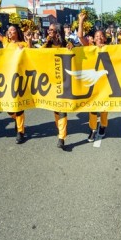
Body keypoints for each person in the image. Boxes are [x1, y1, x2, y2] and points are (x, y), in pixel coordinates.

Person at [0, 6, 31, 144]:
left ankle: (20, 131)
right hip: (6, 78)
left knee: (18, 105)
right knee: (7, 106)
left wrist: (28, 40)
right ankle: (17, 122)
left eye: (12, 30)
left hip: (19, 78)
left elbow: (31, 55)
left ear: (17, 32)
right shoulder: (5, 42)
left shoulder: (22, 44)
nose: (10, 32)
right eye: (9, 30)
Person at [77, 12, 109, 142]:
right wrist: (81, 21)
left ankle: (103, 126)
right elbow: (80, 36)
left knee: (105, 106)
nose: (99, 38)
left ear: (105, 39)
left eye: (101, 36)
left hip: (105, 82)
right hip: (93, 81)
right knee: (93, 107)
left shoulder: (111, 48)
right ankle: (92, 129)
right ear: (93, 39)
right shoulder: (89, 47)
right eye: (97, 36)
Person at [43, 22, 73, 150]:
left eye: (52, 30)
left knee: (62, 108)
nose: (49, 32)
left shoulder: (67, 44)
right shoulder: (46, 46)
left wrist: (73, 47)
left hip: (65, 81)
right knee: (56, 108)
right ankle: (60, 130)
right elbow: (35, 56)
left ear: (58, 32)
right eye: (49, 30)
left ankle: (61, 137)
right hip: (51, 82)